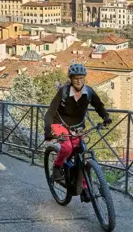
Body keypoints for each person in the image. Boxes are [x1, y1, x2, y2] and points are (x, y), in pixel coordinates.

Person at [44, 63, 112, 203]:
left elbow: (99, 106)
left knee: (82, 154)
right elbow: (49, 113)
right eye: (75, 78)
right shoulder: (63, 91)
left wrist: (106, 117)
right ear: (71, 79)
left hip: (78, 127)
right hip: (60, 124)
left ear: (84, 78)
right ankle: (57, 167)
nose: (79, 81)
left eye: (81, 78)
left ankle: (85, 188)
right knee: (67, 147)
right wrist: (48, 132)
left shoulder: (89, 92)